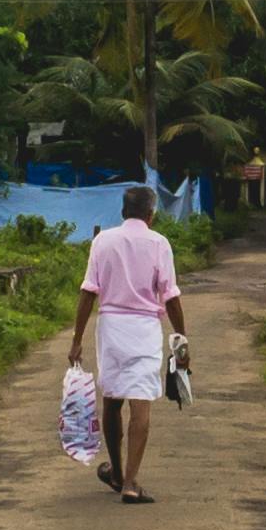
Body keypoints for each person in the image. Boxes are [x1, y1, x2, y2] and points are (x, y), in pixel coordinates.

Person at [69, 189, 185, 504]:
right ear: (152, 214)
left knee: (113, 399)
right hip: (145, 329)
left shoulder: (102, 241)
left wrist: (77, 340)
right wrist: (181, 338)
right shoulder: (159, 244)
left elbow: (88, 293)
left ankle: (118, 474)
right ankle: (131, 483)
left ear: (123, 211)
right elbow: (170, 296)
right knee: (141, 403)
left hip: (112, 328)